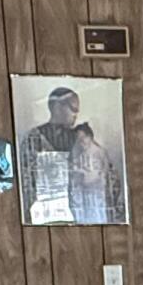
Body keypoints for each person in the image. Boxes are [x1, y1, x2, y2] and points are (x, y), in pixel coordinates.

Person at [22, 85, 123, 224]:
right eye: (73, 109)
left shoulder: (79, 138)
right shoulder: (33, 139)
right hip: (47, 217)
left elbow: (107, 173)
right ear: (57, 107)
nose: (76, 114)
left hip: (83, 214)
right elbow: (26, 182)